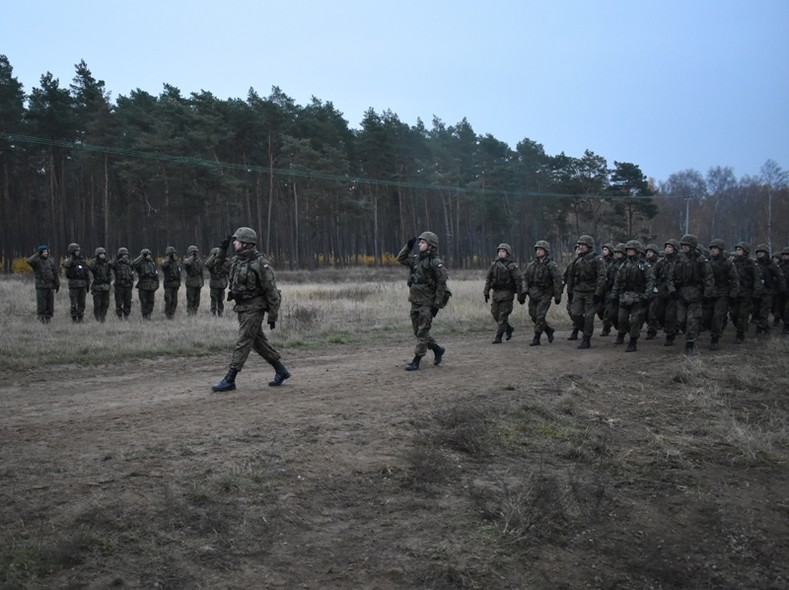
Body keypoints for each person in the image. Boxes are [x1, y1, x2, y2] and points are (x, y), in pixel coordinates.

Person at [212, 227, 291, 391]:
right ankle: (281, 370)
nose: (234, 243)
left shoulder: (260, 263)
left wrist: (273, 315)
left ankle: (230, 379)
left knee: (244, 341)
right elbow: (217, 266)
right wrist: (222, 250)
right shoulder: (236, 261)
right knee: (257, 342)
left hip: (255, 308)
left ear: (247, 244)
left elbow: (271, 290)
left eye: (237, 241)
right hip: (241, 307)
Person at [397, 231, 449, 370]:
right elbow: (401, 259)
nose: (420, 244)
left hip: (427, 303)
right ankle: (437, 349)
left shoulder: (435, 263)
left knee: (422, 332)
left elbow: (441, 284)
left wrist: (436, 305)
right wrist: (408, 246)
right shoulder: (416, 259)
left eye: (423, 242)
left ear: (431, 246)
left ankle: (416, 360)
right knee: (418, 332)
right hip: (415, 301)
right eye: (419, 242)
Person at [668, 234, 714, 356]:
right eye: (682, 245)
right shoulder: (678, 259)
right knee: (681, 320)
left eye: (686, 245)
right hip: (681, 294)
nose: (684, 247)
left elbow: (708, 277)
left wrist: (707, 294)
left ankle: (690, 345)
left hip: (696, 294)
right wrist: (672, 290)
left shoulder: (701, 259)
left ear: (692, 246)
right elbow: (670, 276)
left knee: (692, 320)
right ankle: (690, 335)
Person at [611, 240, 655, 352]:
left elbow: (650, 281)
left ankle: (633, 341)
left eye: (632, 249)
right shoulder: (623, 265)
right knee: (621, 319)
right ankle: (623, 333)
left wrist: (647, 296)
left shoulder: (644, 266)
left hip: (638, 297)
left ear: (637, 251)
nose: (630, 251)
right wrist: (614, 296)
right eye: (628, 249)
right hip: (624, 297)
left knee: (635, 320)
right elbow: (617, 281)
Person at [565, 234, 606, 349]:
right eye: (580, 244)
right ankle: (586, 329)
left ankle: (586, 338)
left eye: (583, 245)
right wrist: (570, 291)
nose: (581, 247)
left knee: (589, 316)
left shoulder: (597, 259)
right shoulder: (576, 260)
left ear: (589, 246)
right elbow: (570, 276)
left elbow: (602, 277)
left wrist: (598, 293)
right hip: (578, 291)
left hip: (591, 292)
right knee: (575, 313)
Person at [520, 240, 562, 345]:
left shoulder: (551, 265)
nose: (538, 251)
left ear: (546, 251)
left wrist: (557, 296)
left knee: (540, 316)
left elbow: (557, 280)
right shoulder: (532, 265)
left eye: (540, 249)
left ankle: (536, 337)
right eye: (537, 249)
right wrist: (524, 290)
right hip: (533, 293)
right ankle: (548, 330)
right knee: (533, 315)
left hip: (545, 294)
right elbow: (525, 278)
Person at [483, 243, 523, 343]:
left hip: (507, 294)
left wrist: (520, 295)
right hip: (496, 294)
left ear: (508, 253)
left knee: (502, 316)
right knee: (495, 313)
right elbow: (488, 278)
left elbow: (518, 281)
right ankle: (508, 328)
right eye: (500, 251)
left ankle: (498, 337)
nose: (501, 253)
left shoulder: (512, 266)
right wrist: (486, 292)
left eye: (503, 251)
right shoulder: (494, 265)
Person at [703, 239, 739, 350]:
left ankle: (715, 339)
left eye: (715, 248)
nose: (713, 250)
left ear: (721, 250)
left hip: (723, 293)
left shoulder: (727, 263)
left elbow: (734, 280)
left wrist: (733, 294)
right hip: (710, 292)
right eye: (711, 248)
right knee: (706, 317)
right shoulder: (707, 261)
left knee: (717, 316)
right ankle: (717, 328)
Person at [729, 242, 762, 344]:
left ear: (745, 251)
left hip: (746, 292)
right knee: (733, 314)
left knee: (743, 314)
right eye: (737, 249)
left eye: (740, 249)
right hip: (735, 292)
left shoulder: (751, 264)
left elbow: (757, 278)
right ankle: (740, 328)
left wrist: (756, 291)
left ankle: (740, 334)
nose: (738, 251)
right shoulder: (733, 262)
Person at [753, 243, 785, 336]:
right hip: (757, 291)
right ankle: (765, 327)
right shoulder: (755, 264)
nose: (759, 254)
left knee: (764, 311)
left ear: (766, 253)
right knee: (757, 311)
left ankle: (760, 328)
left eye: (761, 252)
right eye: (758, 252)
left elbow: (780, 276)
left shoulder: (771, 265)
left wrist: (781, 289)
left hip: (768, 291)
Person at [26, 244, 60, 323]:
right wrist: (38, 254)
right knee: (42, 304)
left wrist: (57, 283)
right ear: (41, 252)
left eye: (46, 251)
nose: (46, 253)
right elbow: (29, 261)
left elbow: (54, 273)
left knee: (50, 304)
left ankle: (48, 319)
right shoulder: (36, 262)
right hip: (41, 286)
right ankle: (41, 319)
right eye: (44, 252)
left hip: (50, 286)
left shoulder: (50, 261)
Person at [61, 242, 90, 322]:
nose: (78, 252)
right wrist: (72, 258)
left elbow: (86, 273)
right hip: (74, 286)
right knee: (74, 304)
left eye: (78, 251)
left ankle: (80, 318)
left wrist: (88, 284)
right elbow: (65, 265)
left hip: (82, 285)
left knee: (82, 304)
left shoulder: (82, 261)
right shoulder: (69, 260)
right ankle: (74, 318)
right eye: (76, 251)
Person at [131, 249, 159, 320]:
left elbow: (156, 275)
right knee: (144, 302)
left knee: (151, 302)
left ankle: (149, 315)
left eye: (149, 254)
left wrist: (156, 284)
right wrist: (141, 256)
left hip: (151, 286)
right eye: (147, 255)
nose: (149, 256)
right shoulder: (140, 264)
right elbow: (134, 263)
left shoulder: (152, 264)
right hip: (143, 286)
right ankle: (145, 316)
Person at [88, 247, 112, 322]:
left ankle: (102, 318)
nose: (102, 256)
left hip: (106, 286)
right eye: (101, 254)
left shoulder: (107, 263)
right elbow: (91, 267)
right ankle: (97, 318)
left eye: (103, 254)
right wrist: (97, 261)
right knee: (97, 304)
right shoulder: (94, 263)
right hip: (97, 287)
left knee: (106, 304)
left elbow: (109, 272)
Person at [205, 246, 231, 316]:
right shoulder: (212, 263)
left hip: (222, 284)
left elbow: (229, 268)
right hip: (214, 284)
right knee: (214, 300)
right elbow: (207, 264)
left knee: (221, 300)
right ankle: (213, 313)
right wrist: (214, 256)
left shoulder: (224, 262)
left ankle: (220, 313)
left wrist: (223, 257)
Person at [110, 247, 135, 319]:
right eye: (124, 255)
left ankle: (126, 315)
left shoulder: (129, 264)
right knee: (119, 302)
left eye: (126, 255)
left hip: (128, 286)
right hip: (119, 286)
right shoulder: (117, 264)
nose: (126, 256)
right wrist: (116, 258)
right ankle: (120, 316)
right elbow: (111, 264)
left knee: (128, 302)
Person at [161, 246, 182, 319]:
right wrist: (168, 258)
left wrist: (179, 282)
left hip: (175, 285)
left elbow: (179, 273)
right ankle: (168, 314)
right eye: (172, 254)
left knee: (175, 301)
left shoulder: (176, 263)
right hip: (168, 284)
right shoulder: (165, 262)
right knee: (168, 300)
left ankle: (172, 313)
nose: (173, 255)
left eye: (174, 254)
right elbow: (163, 265)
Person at [183, 245, 204, 316]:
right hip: (191, 283)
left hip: (198, 283)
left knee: (197, 300)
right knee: (190, 299)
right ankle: (190, 313)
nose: (195, 254)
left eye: (196, 252)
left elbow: (201, 272)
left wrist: (202, 281)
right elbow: (187, 263)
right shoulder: (187, 260)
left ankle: (195, 312)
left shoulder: (199, 261)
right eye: (193, 252)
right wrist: (192, 257)